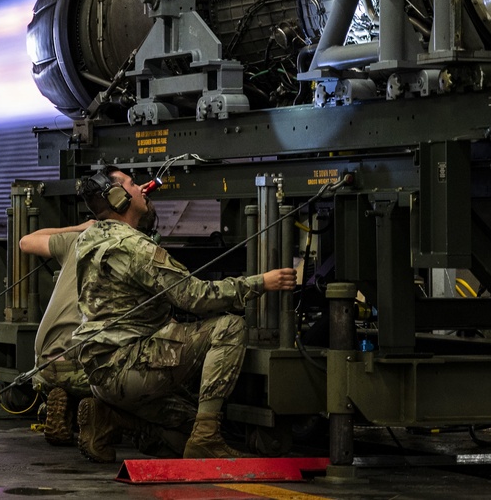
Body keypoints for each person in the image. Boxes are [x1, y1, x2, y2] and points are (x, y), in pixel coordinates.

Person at [72, 165, 297, 460]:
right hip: (129, 369)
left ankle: (112, 420)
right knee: (229, 327)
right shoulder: (136, 248)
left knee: (184, 430)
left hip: (101, 375)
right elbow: (196, 296)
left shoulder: (88, 239)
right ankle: (207, 438)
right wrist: (261, 283)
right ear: (117, 198)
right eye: (132, 183)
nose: (142, 188)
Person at [19, 220, 95, 447]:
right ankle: (98, 417)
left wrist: (80, 227)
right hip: (80, 367)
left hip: (42, 366)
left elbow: (25, 241)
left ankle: (59, 398)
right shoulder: (132, 246)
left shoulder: (76, 240)